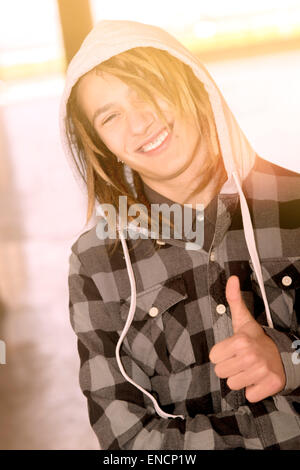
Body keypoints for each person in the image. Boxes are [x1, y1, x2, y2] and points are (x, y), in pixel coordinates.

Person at [60, 19, 300, 449]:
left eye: (148, 90)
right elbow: (126, 440)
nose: (139, 124)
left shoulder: (294, 204)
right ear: (101, 146)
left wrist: (290, 362)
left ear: (192, 81)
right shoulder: (95, 260)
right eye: (111, 116)